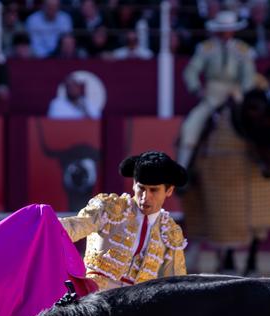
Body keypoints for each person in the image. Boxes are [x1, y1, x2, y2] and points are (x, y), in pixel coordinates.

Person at [57, 151, 188, 292]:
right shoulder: (109, 208)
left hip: (137, 307)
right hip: (94, 300)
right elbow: (74, 226)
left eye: (154, 190)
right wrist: (44, 223)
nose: (145, 197)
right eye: (141, 188)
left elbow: (176, 283)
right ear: (133, 184)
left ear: (169, 191)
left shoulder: (169, 232)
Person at [177, 10, 256, 169]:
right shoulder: (206, 48)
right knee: (191, 126)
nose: (226, 33)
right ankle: (182, 171)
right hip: (212, 94)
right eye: (223, 30)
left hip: (236, 94)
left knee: (261, 123)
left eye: (229, 29)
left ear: (233, 30)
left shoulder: (243, 50)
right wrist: (197, 89)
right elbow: (191, 71)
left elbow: (249, 76)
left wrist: (244, 92)